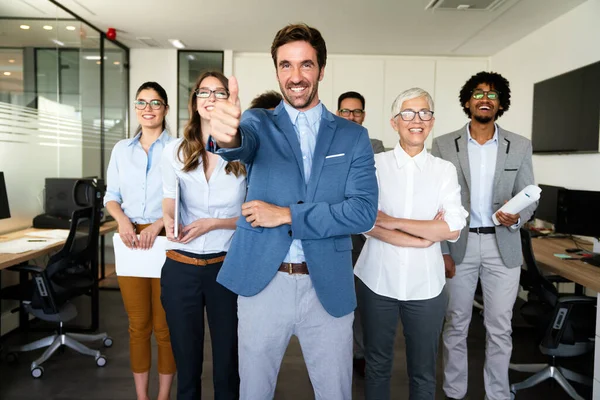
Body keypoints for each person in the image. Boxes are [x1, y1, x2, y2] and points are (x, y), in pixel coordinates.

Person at [208, 23, 378, 400]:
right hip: (263, 283)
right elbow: (238, 144)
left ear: (320, 69)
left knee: (335, 392)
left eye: (305, 65)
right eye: (286, 65)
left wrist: (287, 214)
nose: (296, 76)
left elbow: (363, 212)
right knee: (253, 391)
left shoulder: (352, 136)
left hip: (327, 286)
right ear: (276, 70)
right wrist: (225, 136)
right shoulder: (257, 123)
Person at [355, 87, 468, 399]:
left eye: (424, 113)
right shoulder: (373, 165)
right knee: (376, 365)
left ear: (431, 122)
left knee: (424, 372)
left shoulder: (444, 171)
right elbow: (364, 221)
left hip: (427, 286)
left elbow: (452, 226)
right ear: (394, 122)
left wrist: (392, 221)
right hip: (377, 280)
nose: (416, 119)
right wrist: (423, 236)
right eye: (408, 113)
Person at [431, 72, 537, 400]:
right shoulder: (444, 144)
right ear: (467, 101)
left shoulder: (519, 145)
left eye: (492, 95)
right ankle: (454, 391)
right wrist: (443, 250)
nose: (485, 99)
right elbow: (435, 198)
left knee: (500, 327)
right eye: (478, 93)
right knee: (456, 323)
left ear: (500, 104)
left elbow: (530, 196)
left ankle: (498, 394)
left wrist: (517, 215)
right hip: (459, 242)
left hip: (501, 242)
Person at [160, 71, 246, 400]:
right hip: (181, 267)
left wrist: (214, 223)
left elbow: (254, 216)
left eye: (219, 92)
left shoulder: (244, 153)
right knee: (187, 365)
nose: (210, 98)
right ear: (194, 102)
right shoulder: (175, 151)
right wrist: (169, 218)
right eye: (203, 92)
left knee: (227, 364)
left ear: (229, 101)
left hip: (227, 269)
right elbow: (170, 198)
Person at [104, 81, 176, 400]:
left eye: (155, 102)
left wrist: (158, 224)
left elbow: (185, 198)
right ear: (135, 108)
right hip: (131, 242)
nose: (148, 108)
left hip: (165, 242)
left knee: (164, 328)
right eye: (142, 102)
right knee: (138, 326)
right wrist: (122, 220)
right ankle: (142, 397)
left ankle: (163, 397)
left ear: (166, 108)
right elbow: (111, 196)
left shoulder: (178, 148)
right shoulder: (121, 150)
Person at [336, 90, 384, 377]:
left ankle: (365, 354)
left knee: (369, 300)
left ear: (363, 116)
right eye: (345, 111)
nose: (351, 116)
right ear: (338, 114)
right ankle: (347, 353)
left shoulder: (376, 145)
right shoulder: (328, 143)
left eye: (356, 112)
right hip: (340, 230)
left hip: (370, 234)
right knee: (344, 297)